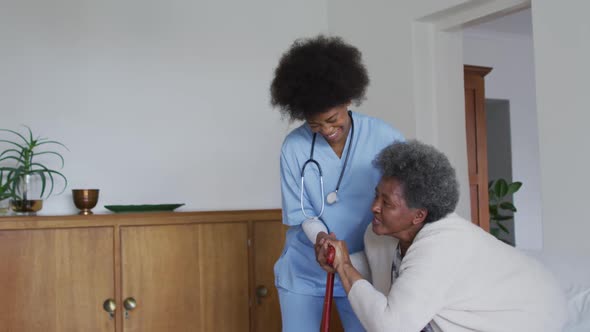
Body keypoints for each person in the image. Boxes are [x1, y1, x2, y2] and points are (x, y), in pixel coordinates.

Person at [316, 140, 567, 332]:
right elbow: (382, 266)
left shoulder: (442, 247)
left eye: (387, 203)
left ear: (419, 215)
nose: (374, 207)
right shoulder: (379, 233)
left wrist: (345, 266)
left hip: (530, 316)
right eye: (376, 195)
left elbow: (391, 327)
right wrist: (338, 258)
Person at [270, 35, 404, 331]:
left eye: (332, 119)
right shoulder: (294, 147)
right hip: (306, 268)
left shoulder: (384, 137)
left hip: (364, 268)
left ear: (347, 100)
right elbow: (303, 212)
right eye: (315, 124)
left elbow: (407, 198)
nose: (327, 130)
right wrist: (322, 239)